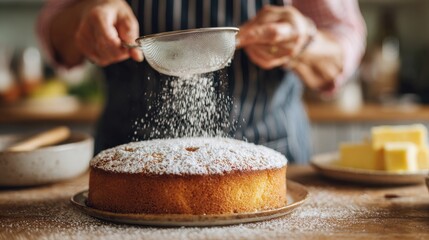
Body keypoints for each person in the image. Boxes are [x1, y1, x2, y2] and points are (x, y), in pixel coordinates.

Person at [37, 0, 366, 163]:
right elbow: (54, 28)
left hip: (271, 161)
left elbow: (342, 43)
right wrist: (84, 17)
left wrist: (304, 41)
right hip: (129, 167)